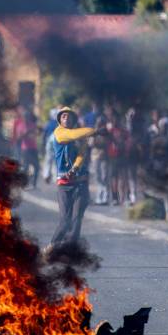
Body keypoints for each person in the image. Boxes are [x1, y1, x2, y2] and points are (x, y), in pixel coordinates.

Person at [45, 107, 96, 252]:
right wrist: (95, 130)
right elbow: (76, 134)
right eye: (63, 116)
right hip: (64, 185)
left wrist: (74, 169)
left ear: (73, 120)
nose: (66, 118)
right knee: (65, 221)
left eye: (69, 116)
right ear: (60, 120)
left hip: (80, 184)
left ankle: (69, 252)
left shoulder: (79, 137)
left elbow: (81, 154)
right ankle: (51, 247)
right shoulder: (59, 133)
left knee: (76, 221)